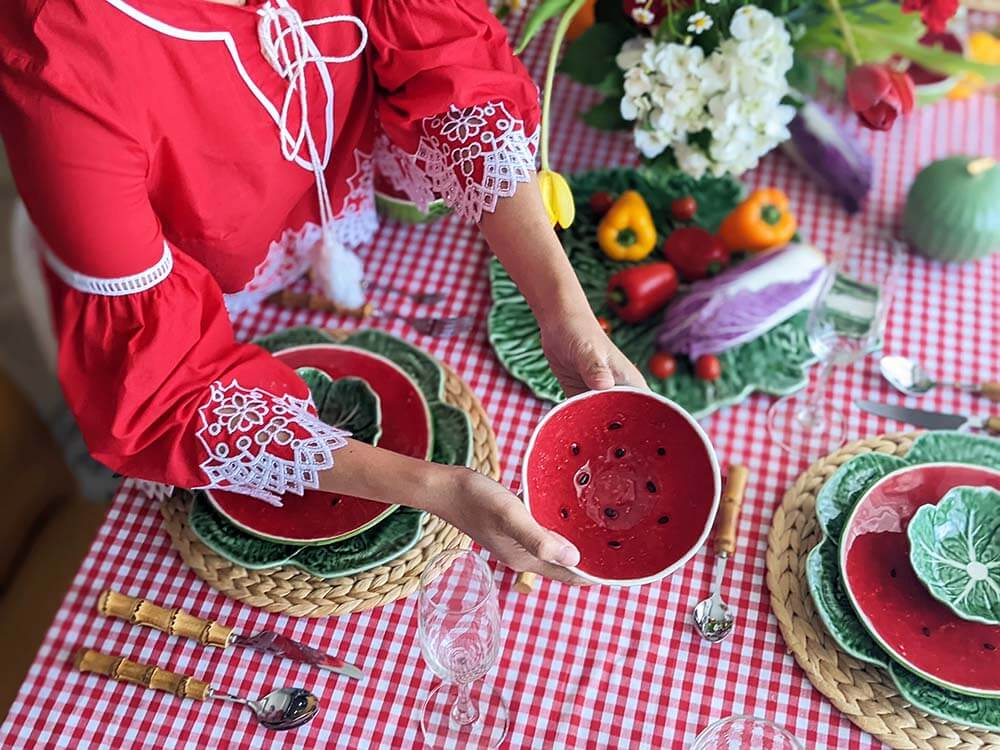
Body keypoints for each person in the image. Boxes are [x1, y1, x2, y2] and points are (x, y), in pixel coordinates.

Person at [0, 0, 645, 584]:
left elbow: (448, 62)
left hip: (322, 219)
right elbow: (168, 386)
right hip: (197, 309)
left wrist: (564, 311)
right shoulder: (63, 62)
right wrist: (440, 490)